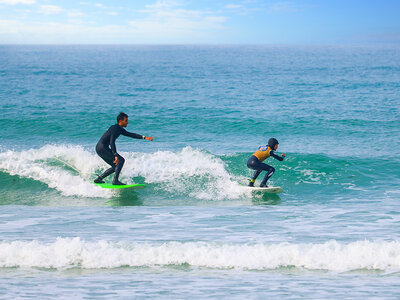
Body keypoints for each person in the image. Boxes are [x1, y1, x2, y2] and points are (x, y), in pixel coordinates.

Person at [94, 112, 154, 185]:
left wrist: (144, 137)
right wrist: (115, 154)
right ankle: (115, 181)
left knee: (115, 166)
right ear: (120, 121)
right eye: (126, 120)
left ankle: (99, 179)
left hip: (99, 148)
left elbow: (131, 134)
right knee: (121, 160)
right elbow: (111, 142)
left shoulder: (119, 129)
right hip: (102, 148)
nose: (127, 122)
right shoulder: (115, 128)